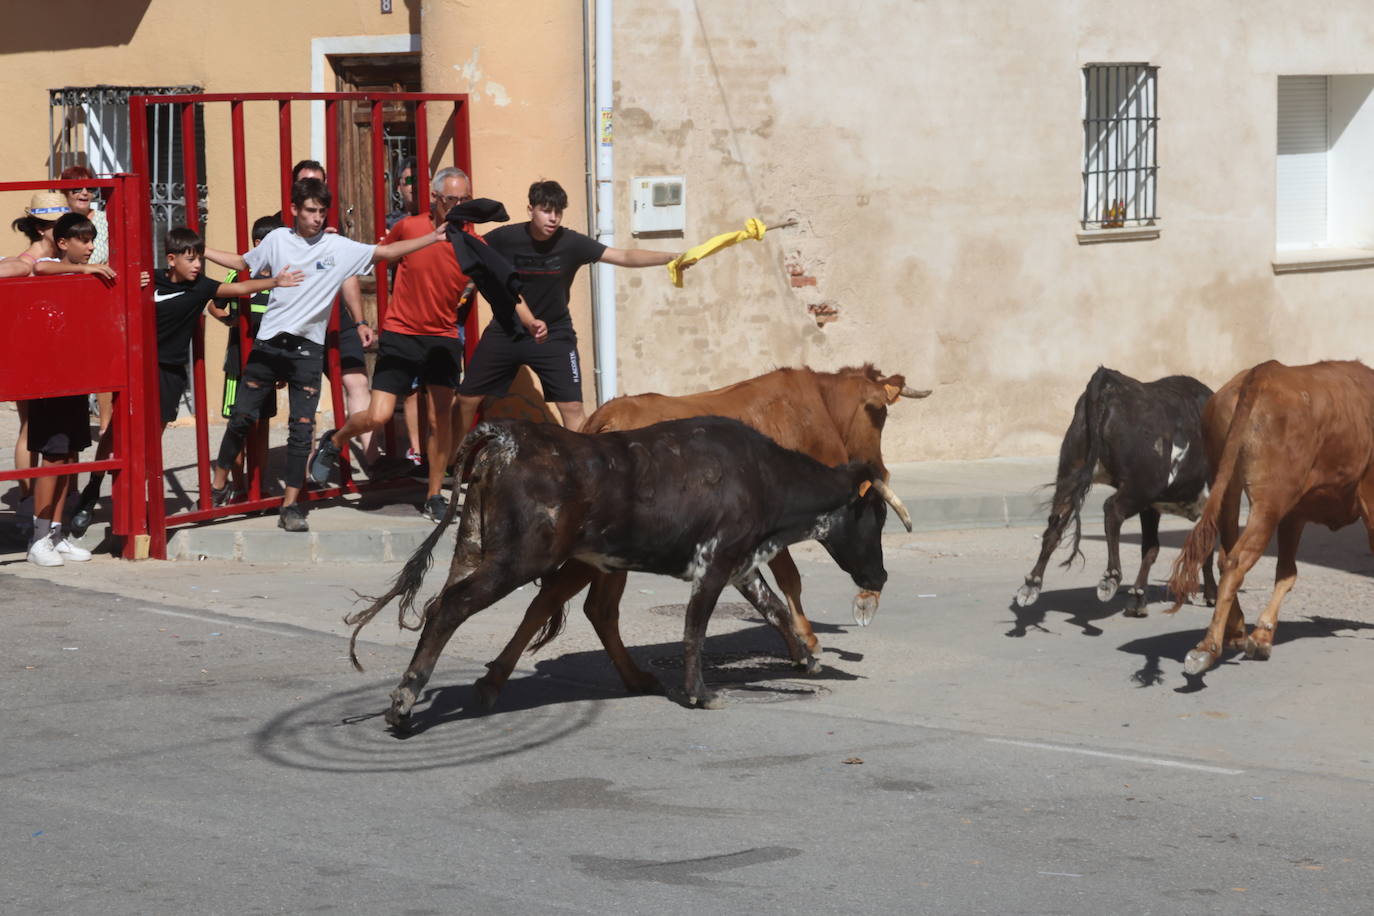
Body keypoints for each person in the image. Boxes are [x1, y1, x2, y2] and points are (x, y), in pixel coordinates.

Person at [202, 176, 447, 532]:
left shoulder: (337, 247)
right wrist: (203, 249)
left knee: (302, 429)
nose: (317, 218)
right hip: (269, 344)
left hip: (306, 350)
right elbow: (242, 261)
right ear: (295, 211)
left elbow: (384, 253)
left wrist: (431, 238)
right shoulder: (277, 240)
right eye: (311, 211)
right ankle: (219, 484)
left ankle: (291, 506)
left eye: (321, 212)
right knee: (241, 417)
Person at [309, 167, 476, 521]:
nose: (458, 207)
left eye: (465, 200)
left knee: (440, 417)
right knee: (379, 414)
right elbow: (378, 258)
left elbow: (491, 279)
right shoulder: (409, 227)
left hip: (443, 337)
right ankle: (336, 440)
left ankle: (433, 495)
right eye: (452, 200)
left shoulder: (473, 241)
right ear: (435, 198)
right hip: (401, 333)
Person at [455, 179, 682, 434]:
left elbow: (623, 256)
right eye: (546, 210)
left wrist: (671, 258)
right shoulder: (505, 238)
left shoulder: (571, 243)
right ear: (531, 210)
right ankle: (455, 461)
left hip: (554, 334)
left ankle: (584, 468)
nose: (553, 218)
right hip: (506, 330)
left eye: (558, 212)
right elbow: (468, 252)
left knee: (573, 408)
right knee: (466, 400)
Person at [285, 159, 378, 464]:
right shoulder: (280, 231)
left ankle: (373, 459)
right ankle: (307, 464)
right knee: (305, 394)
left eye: (318, 183)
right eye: (305, 182)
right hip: (300, 322)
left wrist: (361, 318)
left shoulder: (330, 231)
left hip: (336, 319)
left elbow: (347, 274)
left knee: (358, 382)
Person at [23, 212, 103, 566]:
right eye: (83, 241)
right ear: (62, 243)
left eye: (91, 240)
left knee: (70, 456)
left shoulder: (89, 273)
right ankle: (38, 538)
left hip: (75, 376)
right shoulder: (50, 267)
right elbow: (40, 268)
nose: (89, 248)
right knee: (52, 456)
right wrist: (85, 270)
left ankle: (56, 533)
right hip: (47, 378)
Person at [3, 193, 70, 525]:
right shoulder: (26, 262)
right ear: (46, 229)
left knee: (54, 434)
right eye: (63, 226)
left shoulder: (58, 260)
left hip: (56, 358)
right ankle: (29, 501)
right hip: (32, 357)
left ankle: (46, 502)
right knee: (31, 427)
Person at [206, 215, 282, 495]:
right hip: (240, 365)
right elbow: (215, 305)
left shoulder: (279, 279)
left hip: (269, 364)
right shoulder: (238, 275)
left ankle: (257, 486)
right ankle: (237, 488)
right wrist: (229, 320)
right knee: (238, 426)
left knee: (262, 426)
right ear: (259, 244)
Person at [0, 191, 67, 278]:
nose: (67, 229)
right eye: (61, 225)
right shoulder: (24, 265)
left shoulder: (65, 255)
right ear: (40, 228)